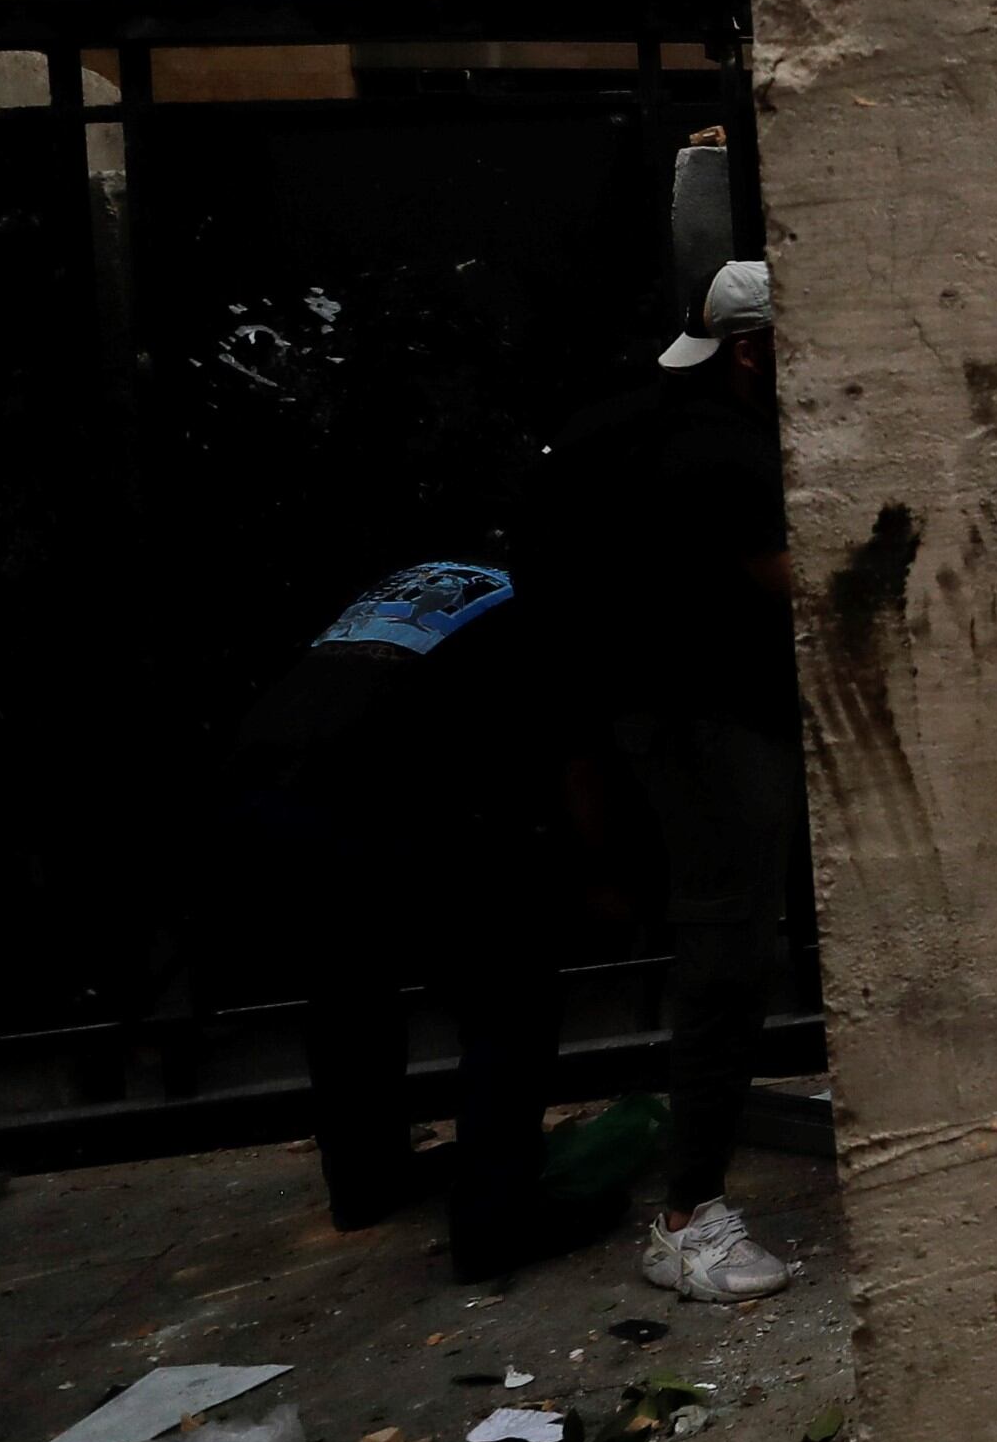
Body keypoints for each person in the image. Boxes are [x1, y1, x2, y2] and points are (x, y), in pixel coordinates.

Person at [515, 258, 805, 1306]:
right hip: (711, 729)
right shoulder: (721, 450)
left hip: (653, 724)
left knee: (726, 947)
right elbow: (787, 577)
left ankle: (694, 1190)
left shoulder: (638, 425)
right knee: (730, 955)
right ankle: (689, 1217)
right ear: (749, 351)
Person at [233, 557, 606, 1281]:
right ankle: (497, 1221)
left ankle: (365, 1181)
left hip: (263, 782)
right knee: (511, 991)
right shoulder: (552, 615)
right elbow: (576, 763)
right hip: (369, 786)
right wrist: (598, 878)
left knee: (347, 989)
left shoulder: (425, 583)